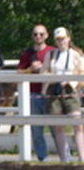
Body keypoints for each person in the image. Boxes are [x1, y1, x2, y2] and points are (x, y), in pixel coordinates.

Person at [44, 26, 84, 163]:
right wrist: (54, 78)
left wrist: (70, 81)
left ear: (68, 39)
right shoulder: (51, 55)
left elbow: (81, 73)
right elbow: (44, 72)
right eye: (58, 39)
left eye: (63, 38)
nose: (61, 41)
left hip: (70, 90)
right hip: (55, 91)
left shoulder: (75, 54)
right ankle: (64, 158)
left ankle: (82, 157)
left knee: (77, 124)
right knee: (58, 126)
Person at [17, 24, 54, 162]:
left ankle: (65, 157)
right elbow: (19, 72)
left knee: (56, 128)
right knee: (36, 130)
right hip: (33, 95)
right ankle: (42, 157)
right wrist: (30, 69)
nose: (38, 36)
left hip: (51, 94)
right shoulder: (27, 53)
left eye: (41, 34)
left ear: (46, 35)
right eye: (35, 34)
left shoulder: (53, 51)